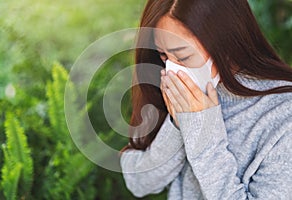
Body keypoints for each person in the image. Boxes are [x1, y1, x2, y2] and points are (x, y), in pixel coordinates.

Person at [120, 0, 292, 199]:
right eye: (164, 56)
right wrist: (178, 123)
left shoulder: (283, 117)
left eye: (182, 57)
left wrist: (201, 130)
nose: (171, 70)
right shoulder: (171, 91)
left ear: (226, 44)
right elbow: (138, 182)